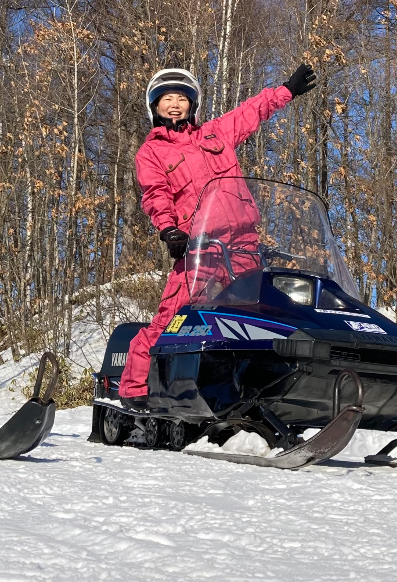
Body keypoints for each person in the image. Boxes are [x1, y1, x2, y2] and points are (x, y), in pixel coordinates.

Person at [116, 62, 318, 404]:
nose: (175, 104)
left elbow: (250, 112)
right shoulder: (151, 152)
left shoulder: (216, 134)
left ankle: (257, 392)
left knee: (261, 317)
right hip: (199, 247)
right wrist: (168, 229)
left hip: (244, 244)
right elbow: (155, 194)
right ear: (154, 107)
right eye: (166, 99)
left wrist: (286, 90)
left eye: (182, 97)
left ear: (193, 104)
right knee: (174, 315)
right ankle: (134, 391)